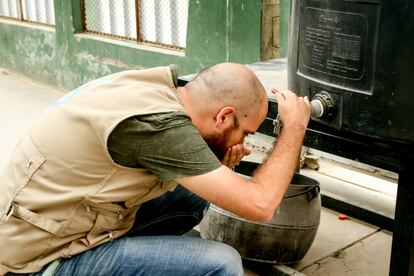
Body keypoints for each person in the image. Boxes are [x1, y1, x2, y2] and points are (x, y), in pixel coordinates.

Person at [0, 63, 310, 275]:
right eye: (245, 132)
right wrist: (294, 127)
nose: (243, 141)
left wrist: (215, 163)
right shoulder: (159, 128)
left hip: (53, 222)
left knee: (193, 197)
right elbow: (261, 204)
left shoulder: (157, 91)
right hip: (36, 262)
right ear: (224, 117)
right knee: (221, 264)